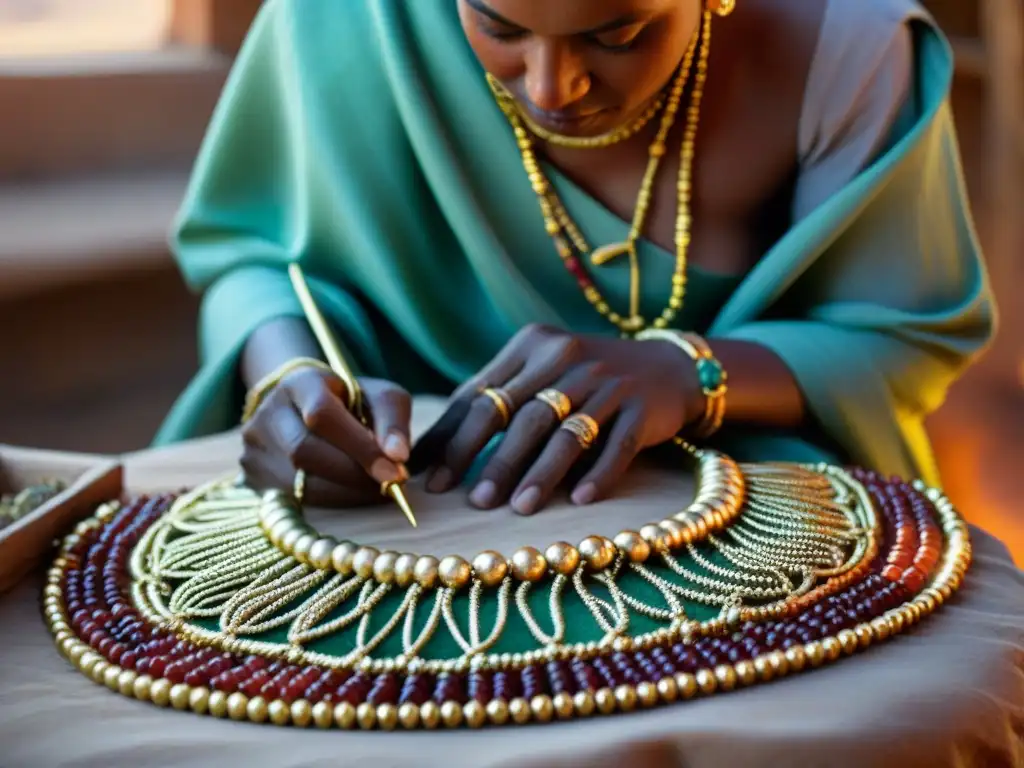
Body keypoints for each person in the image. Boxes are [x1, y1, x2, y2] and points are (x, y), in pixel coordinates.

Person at [156, 0, 995, 516]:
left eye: (618, 32)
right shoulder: (340, 21)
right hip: (408, 512)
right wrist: (288, 379)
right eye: (496, 25)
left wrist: (692, 374)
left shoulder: (849, 50)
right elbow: (256, 256)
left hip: (752, 517)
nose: (552, 87)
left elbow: (901, 337)